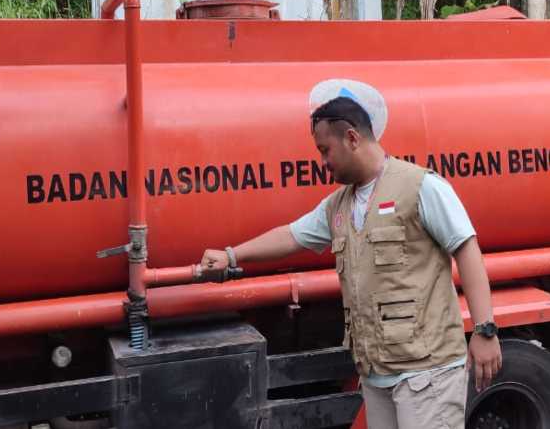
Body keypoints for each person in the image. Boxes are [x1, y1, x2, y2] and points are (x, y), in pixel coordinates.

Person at [200, 92, 501, 428]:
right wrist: (231, 256)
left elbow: (467, 249)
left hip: (427, 373)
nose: (322, 161)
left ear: (352, 138)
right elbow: (291, 236)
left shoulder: (420, 187)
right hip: (378, 376)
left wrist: (484, 330)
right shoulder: (338, 206)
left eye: (325, 150)